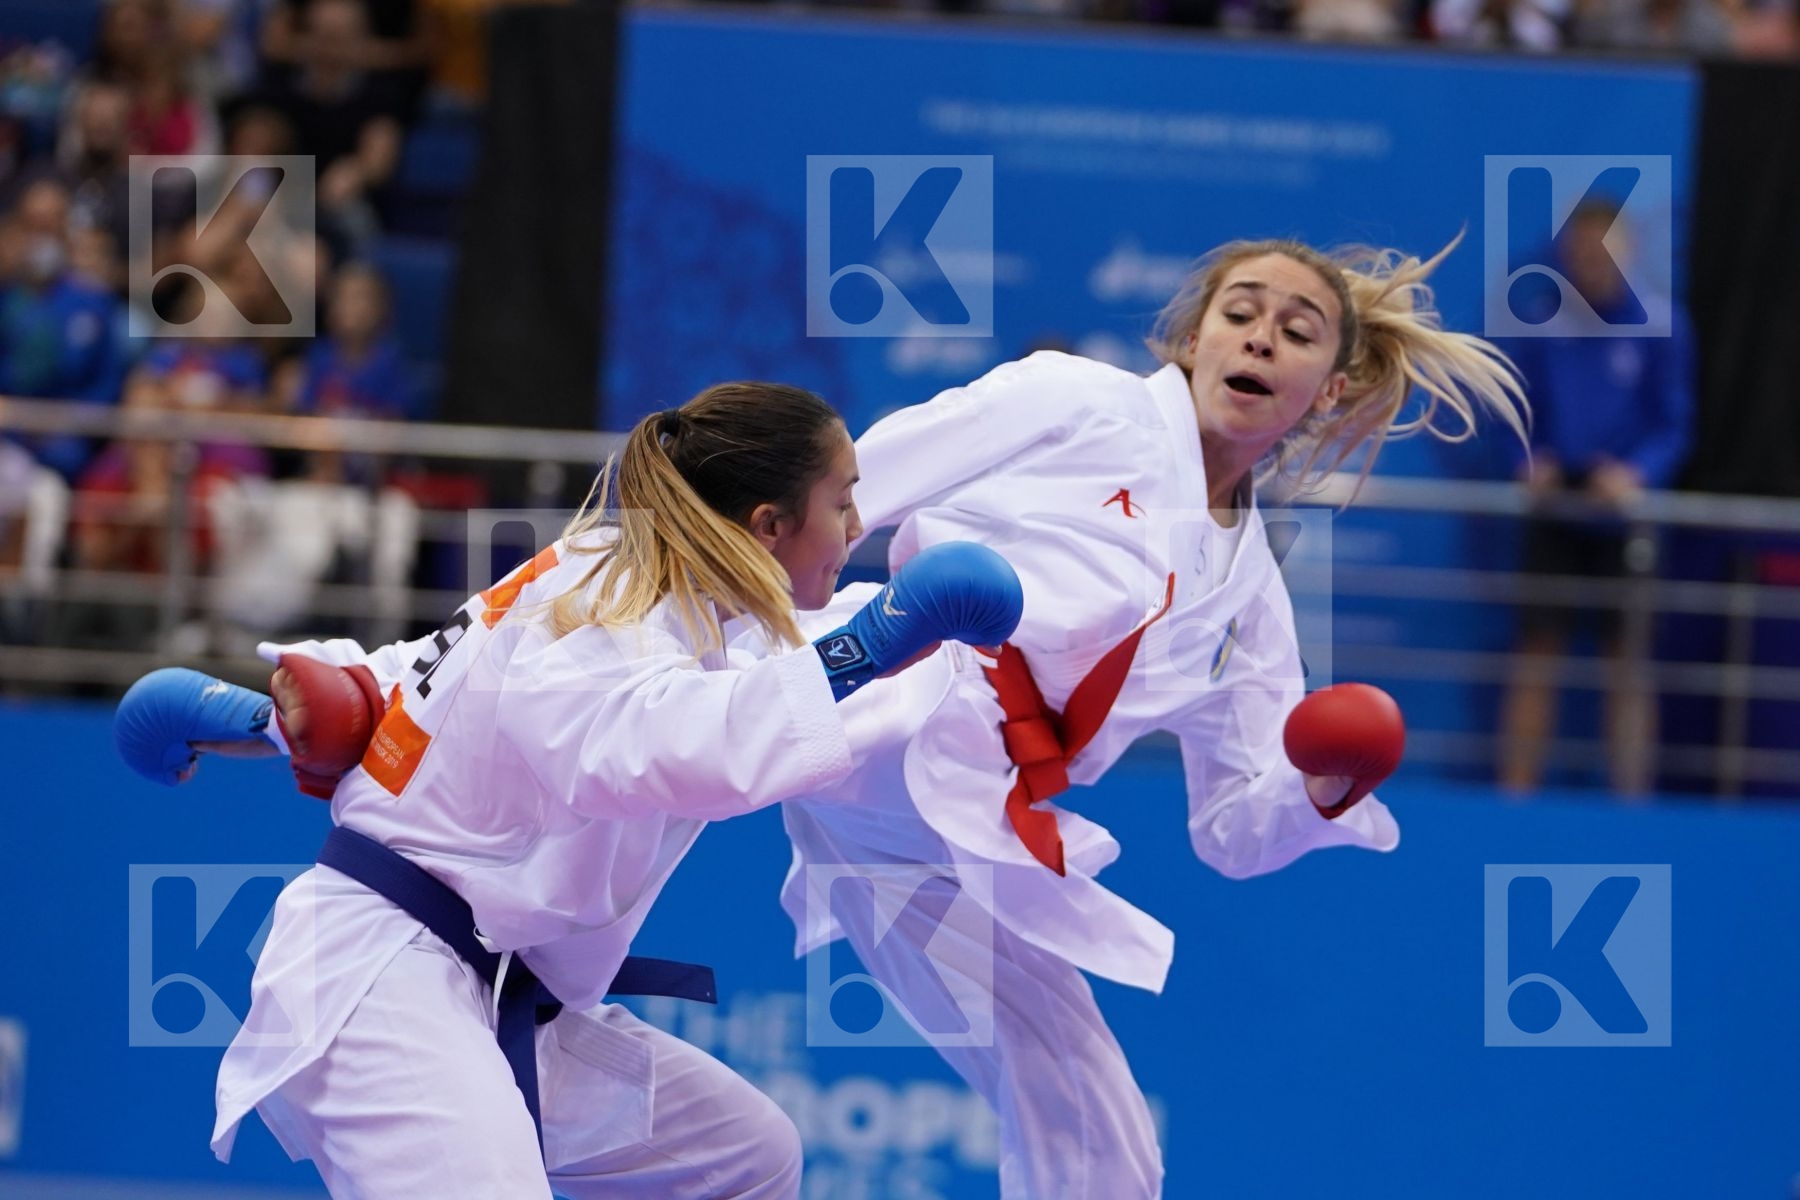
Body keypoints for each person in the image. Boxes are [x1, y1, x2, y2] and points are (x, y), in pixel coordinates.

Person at [113, 381, 1023, 1199]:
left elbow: (414, 686)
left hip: (500, 996)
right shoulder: (611, 594)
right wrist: (869, 648)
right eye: (842, 499)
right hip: (386, 980)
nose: (859, 524)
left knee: (747, 1158)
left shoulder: (674, 602)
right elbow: (653, 742)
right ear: (768, 524)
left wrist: (271, 716)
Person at [774, 235, 1529, 1198]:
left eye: (1296, 332)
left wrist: (1326, 786)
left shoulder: (1254, 597)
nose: (1260, 340)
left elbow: (1233, 832)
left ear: (1327, 390)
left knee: (1099, 1133)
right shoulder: (1074, 402)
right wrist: (742, 600)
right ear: (1193, 339)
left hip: (964, 840)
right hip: (894, 682)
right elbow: (850, 488)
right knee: (656, 740)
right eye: (1240, 314)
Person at [1496, 200, 1693, 797]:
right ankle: (1515, 799)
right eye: (1579, 251)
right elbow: (1511, 411)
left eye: (1602, 249)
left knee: (1626, 659)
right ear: (1564, 255)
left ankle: (1631, 806)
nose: (1590, 262)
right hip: (1554, 509)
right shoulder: (1536, 322)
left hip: (1621, 516)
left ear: (1627, 251)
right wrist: (1527, 462)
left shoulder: (1664, 325)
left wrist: (1639, 474)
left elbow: (1675, 423)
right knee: (1537, 650)